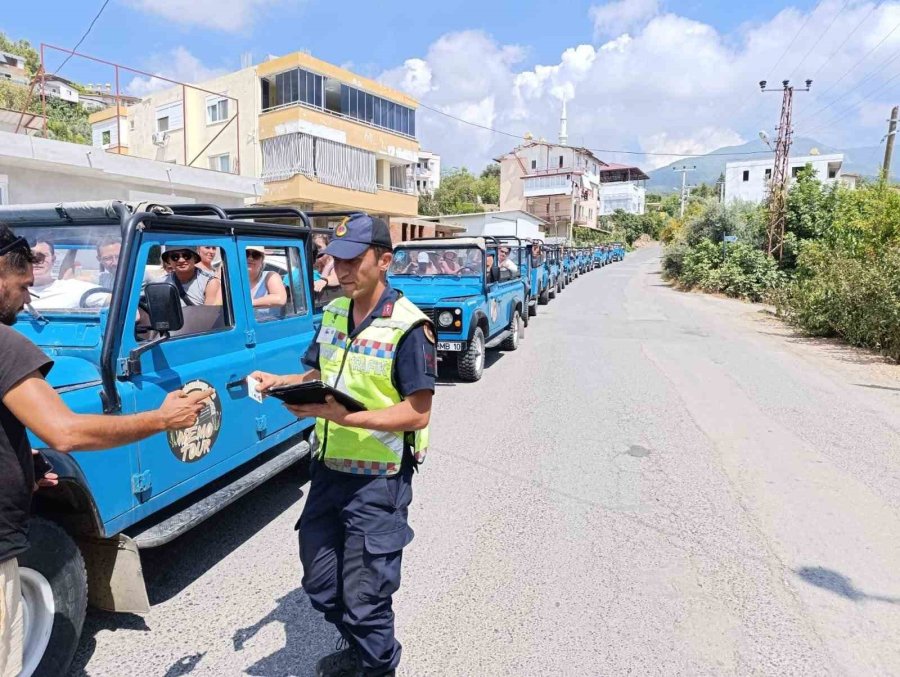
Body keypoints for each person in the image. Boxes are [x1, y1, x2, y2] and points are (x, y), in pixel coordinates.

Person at [0, 225, 212, 677]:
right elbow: (66, 433)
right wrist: (161, 419)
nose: (30, 293)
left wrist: (22, 462)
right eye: (23, 283)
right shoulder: (7, 345)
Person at [250, 214, 435, 677]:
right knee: (320, 583)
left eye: (354, 260)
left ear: (385, 260)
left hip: (378, 482)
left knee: (367, 599)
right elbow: (319, 374)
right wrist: (283, 382)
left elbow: (417, 412)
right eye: (336, 260)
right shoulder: (334, 311)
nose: (342, 270)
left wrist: (348, 417)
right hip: (329, 472)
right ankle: (358, 646)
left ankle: (377, 665)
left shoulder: (410, 327)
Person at [29, 240, 109, 310]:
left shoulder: (74, 289)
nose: (37, 260)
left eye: (43, 255)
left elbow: (114, 300)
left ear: (53, 260)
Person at [158, 245, 222, 306]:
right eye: (175, 257)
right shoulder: (161, 283)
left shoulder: (210, 282)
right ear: (169, 261)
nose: (181, 260)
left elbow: (210, 314)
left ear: (195, 258)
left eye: (186, 256)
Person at [246, 245, 287, 314]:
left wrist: (248, 303)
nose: (250, 258)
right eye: (246, 254)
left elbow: (280, 299)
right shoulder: (235, 281)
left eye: (256, 255)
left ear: (262, 261)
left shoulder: (270, 276)